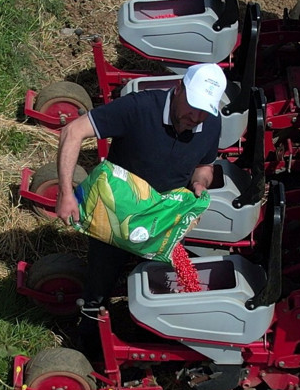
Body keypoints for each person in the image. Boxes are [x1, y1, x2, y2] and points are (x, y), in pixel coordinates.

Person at [55, 62, 227, 309]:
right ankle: (92, 321)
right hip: (116, 214)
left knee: (163, 288)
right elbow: (72, 131)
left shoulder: (211, 123)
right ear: (179, 88)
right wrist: (66, 193)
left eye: (204, 111)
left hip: (164, 220)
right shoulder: (139, 107)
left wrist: (200, 182)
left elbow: (205, 165)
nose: (196, 118)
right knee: (100, 283)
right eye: (193, 106)